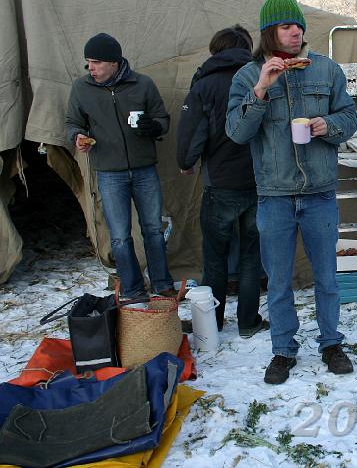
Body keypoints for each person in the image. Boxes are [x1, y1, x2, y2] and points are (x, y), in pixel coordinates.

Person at [226, 0, 357, 384]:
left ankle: (331, 343)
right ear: (270, 32)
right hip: (275, 194)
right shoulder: (247, 76)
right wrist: (262, 89)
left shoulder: (326, 69)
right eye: (287, 25)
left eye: (299, 25)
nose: (296, 31)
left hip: (319, 191)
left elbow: (349, 116)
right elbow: (236, 133)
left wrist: (328, 126)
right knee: (279, 280)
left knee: (327, 276)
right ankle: (283, 350)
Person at [176, 24, 267, 338]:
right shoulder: (262, 77)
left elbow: (193, 131)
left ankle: (212, 324)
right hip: (259, 180)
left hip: (220, 184)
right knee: (251, 255)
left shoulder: (205, 83)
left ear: (217, 49)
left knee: (215, 257)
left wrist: (186, 162)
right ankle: (248, 321)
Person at [66, 33, 173, 299]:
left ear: (114, 62)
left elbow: (163, 119)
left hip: (144, 169)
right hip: (109, 172)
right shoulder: (82, 89)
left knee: (152, 229)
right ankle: (133, 288)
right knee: (120, 236)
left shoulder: (142, 84)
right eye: (88, 62)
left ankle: (161, 283)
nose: (91, 68)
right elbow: (72, 122)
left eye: (97, 62)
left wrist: (154, 126)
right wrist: (77, 137)